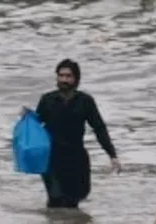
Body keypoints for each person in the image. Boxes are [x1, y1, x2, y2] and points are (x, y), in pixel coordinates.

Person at [34, 59, 120, 208]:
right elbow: (34, 128)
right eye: (61, 76)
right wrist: (26, 120)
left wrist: (112, 155)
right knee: (55, 199)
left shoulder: (85, 101)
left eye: (68, 76)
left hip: (76, 159)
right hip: (52, 159)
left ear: (76, 79)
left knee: (73, 201)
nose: (64, 80)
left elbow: (99, 128)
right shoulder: (47, 100)